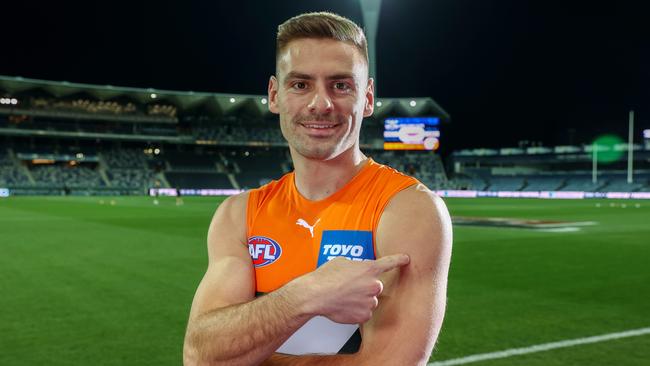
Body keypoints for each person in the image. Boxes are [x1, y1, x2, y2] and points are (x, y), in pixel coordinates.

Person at [183, 12, 452, 365]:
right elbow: (200, 356)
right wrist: (307, 294)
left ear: (367, 97)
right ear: (275, 95)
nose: (321, 103)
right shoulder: (239, 215)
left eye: (341, 85)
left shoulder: (407, 210)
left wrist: (249, 354)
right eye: (300, 84)